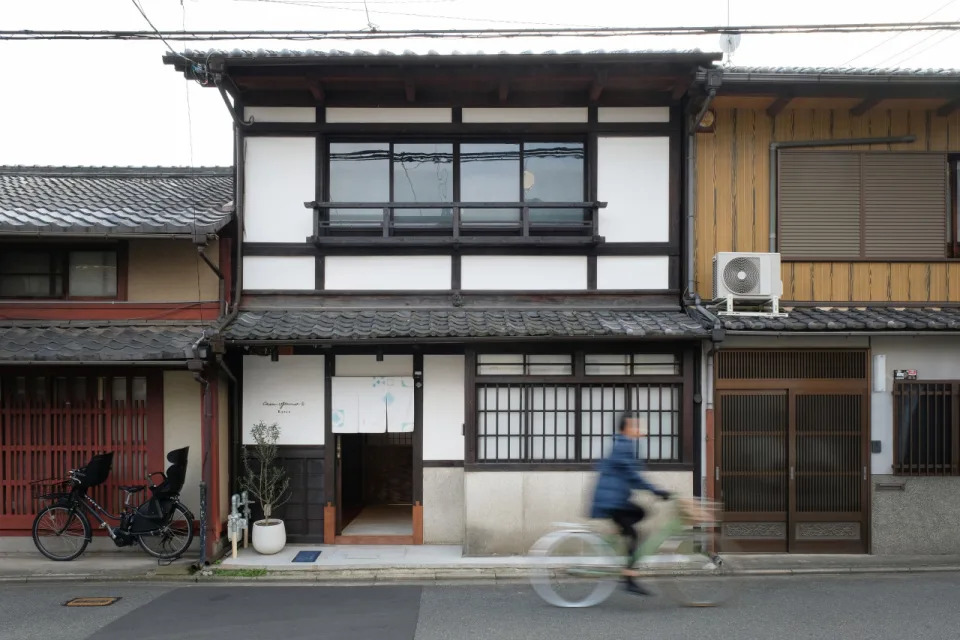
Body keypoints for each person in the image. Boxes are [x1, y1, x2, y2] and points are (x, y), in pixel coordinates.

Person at [589, 412, 671, 596]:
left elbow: (632, 475)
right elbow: (635, 476)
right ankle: (629, 578)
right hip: (613, 501)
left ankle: (619, 531)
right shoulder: (623, 446)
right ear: (626, 428)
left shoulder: (624, 443)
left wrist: (654, 490)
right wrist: (658, 491)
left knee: (641, 514)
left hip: (614, 499)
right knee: (635, 533)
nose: (639, 428)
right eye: (635, 425)